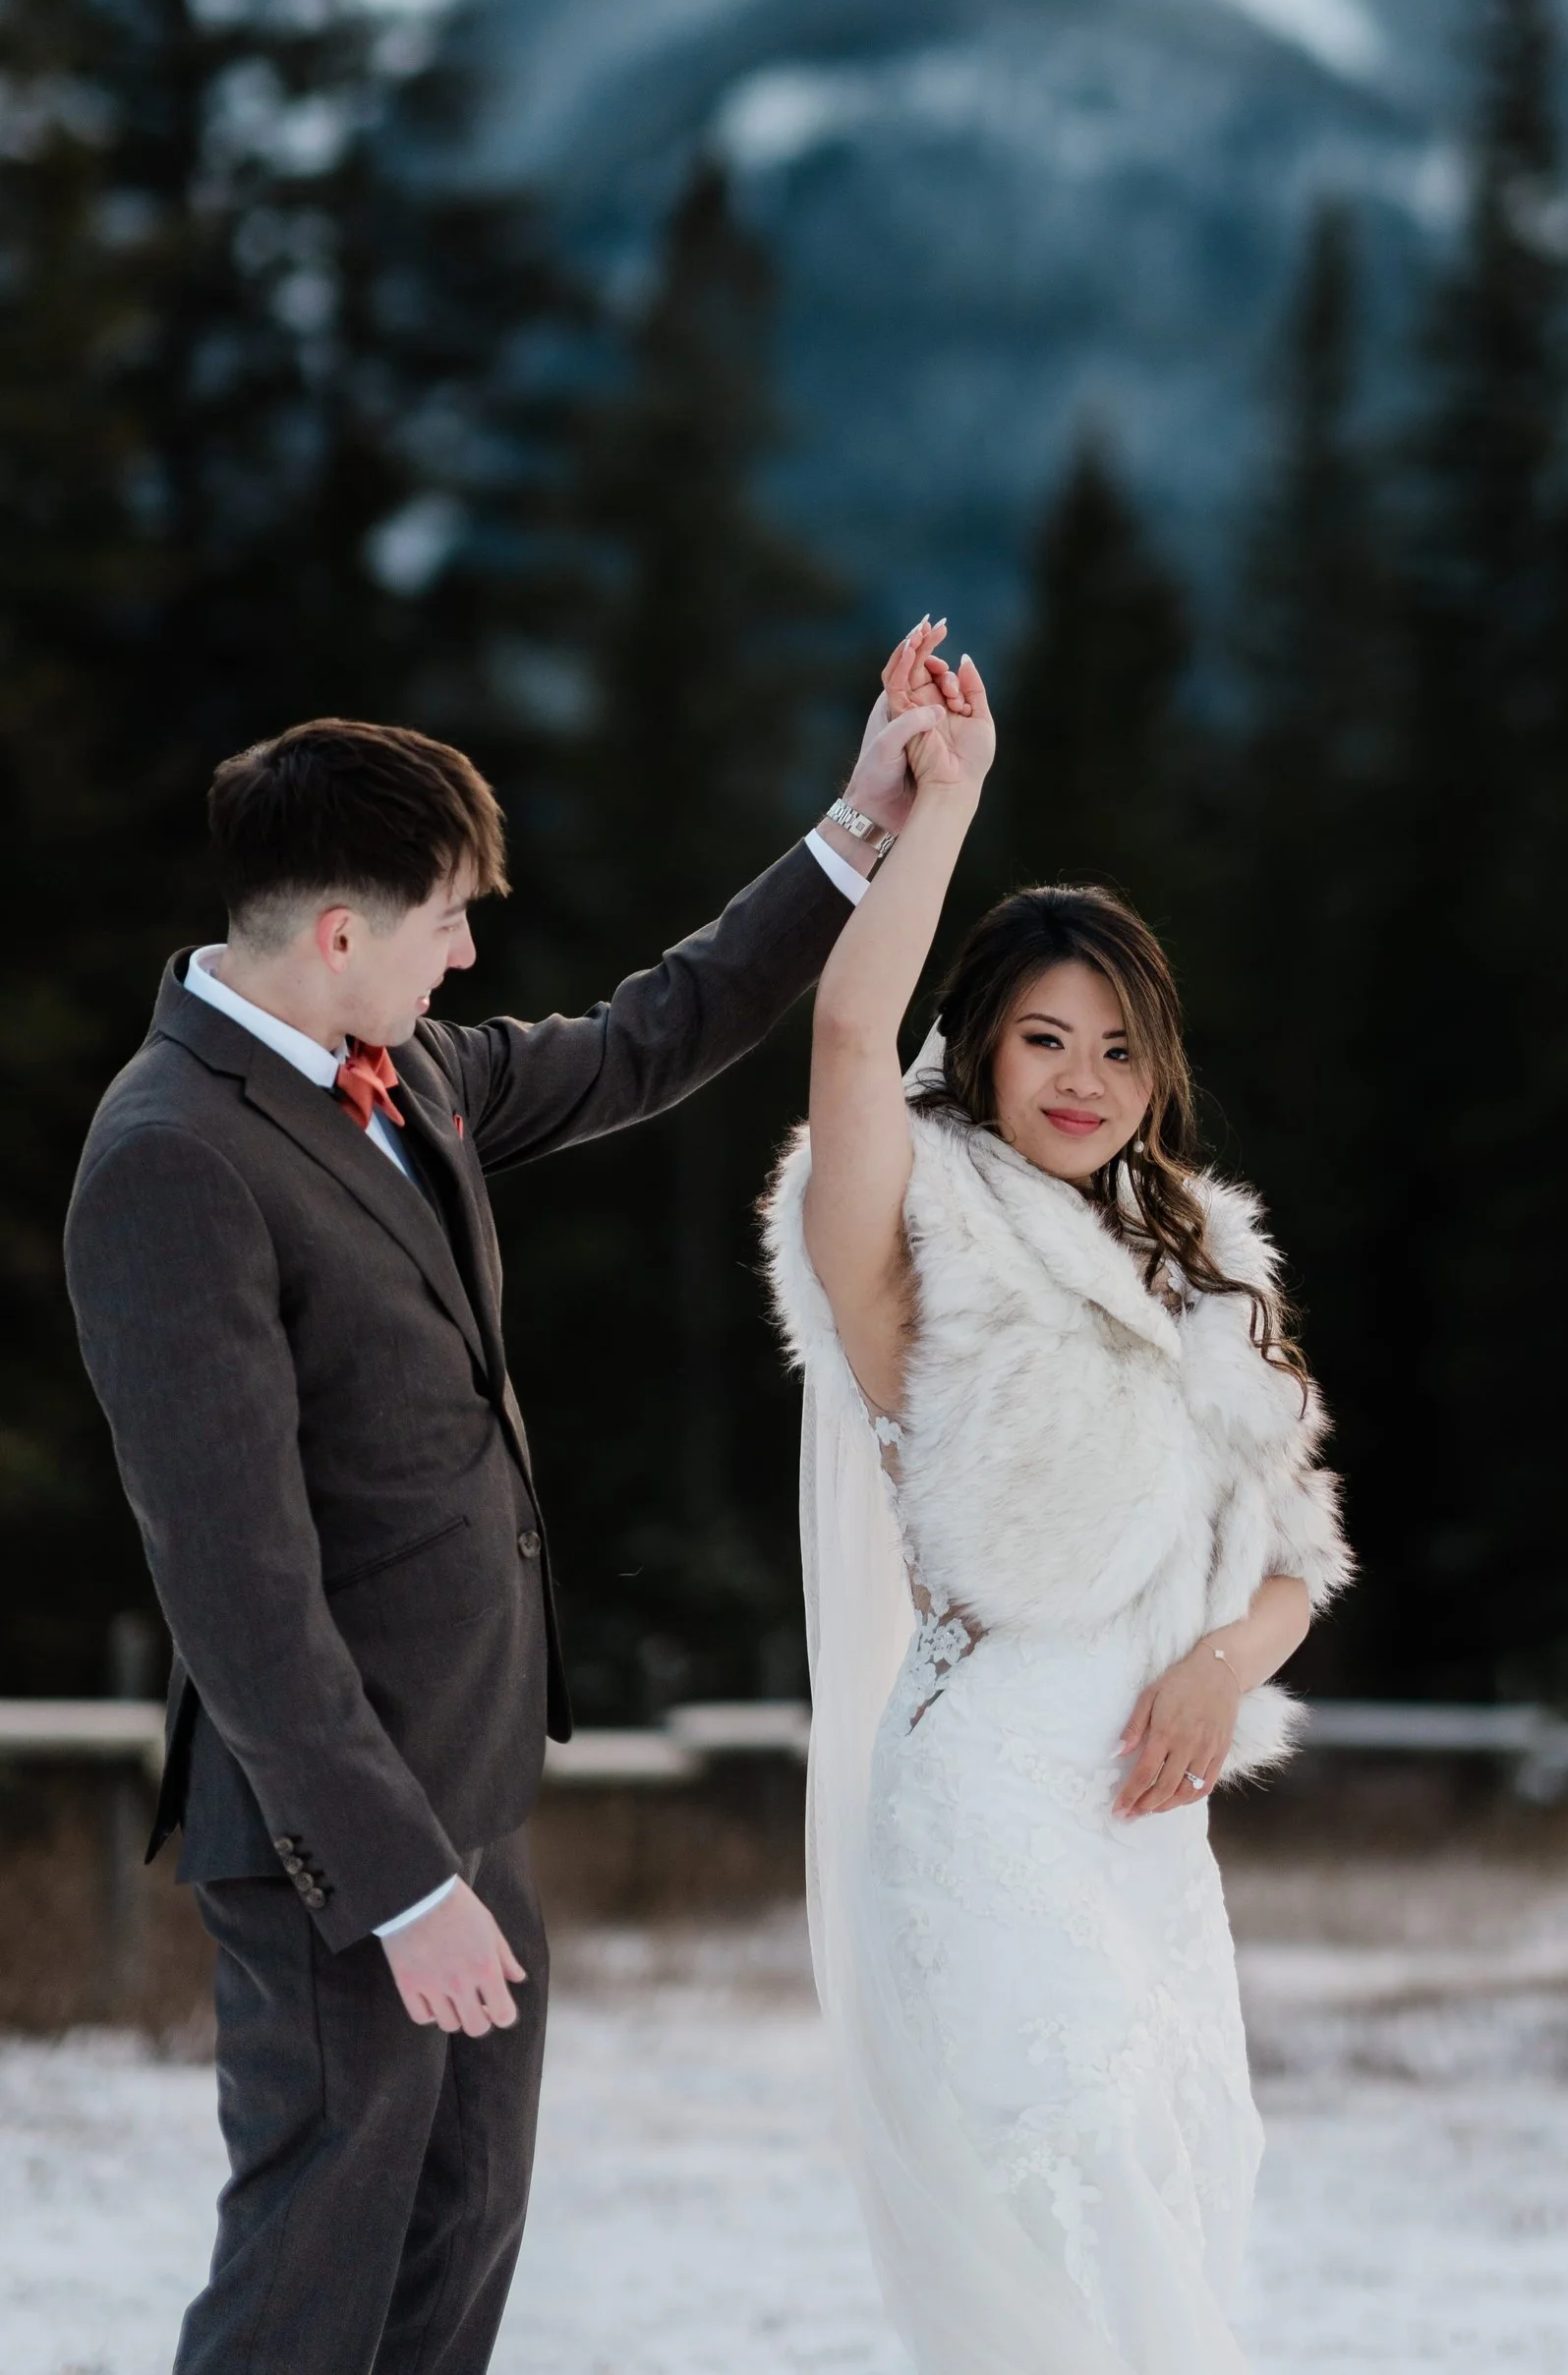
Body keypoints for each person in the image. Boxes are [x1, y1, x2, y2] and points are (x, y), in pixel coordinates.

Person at [62, 627, 957, 2375]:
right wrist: (397, 1882)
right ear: (339, 935)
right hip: (344, 1846)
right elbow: (237, 1578)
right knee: (310, 2280)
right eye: (449, 917)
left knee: (454, 2251)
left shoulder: (410, 1082)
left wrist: (857, 822)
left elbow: (651, 1032)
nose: (471, 947)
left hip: (470, 1799)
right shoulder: (175, 1154)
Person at [763, 646, 1352, 2375]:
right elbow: (850, 1030)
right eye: (1042, 1037)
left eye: (1116, 1046)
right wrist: (938, 802)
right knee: (1075, 2206)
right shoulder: (916, 1220)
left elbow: (1302, 1546)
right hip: (995, 1791)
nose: (1083, 1077)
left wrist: (1223, 1664)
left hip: (1153, 1818)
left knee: (1188, 2181)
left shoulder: (1209, 1261)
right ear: (983, 1046)